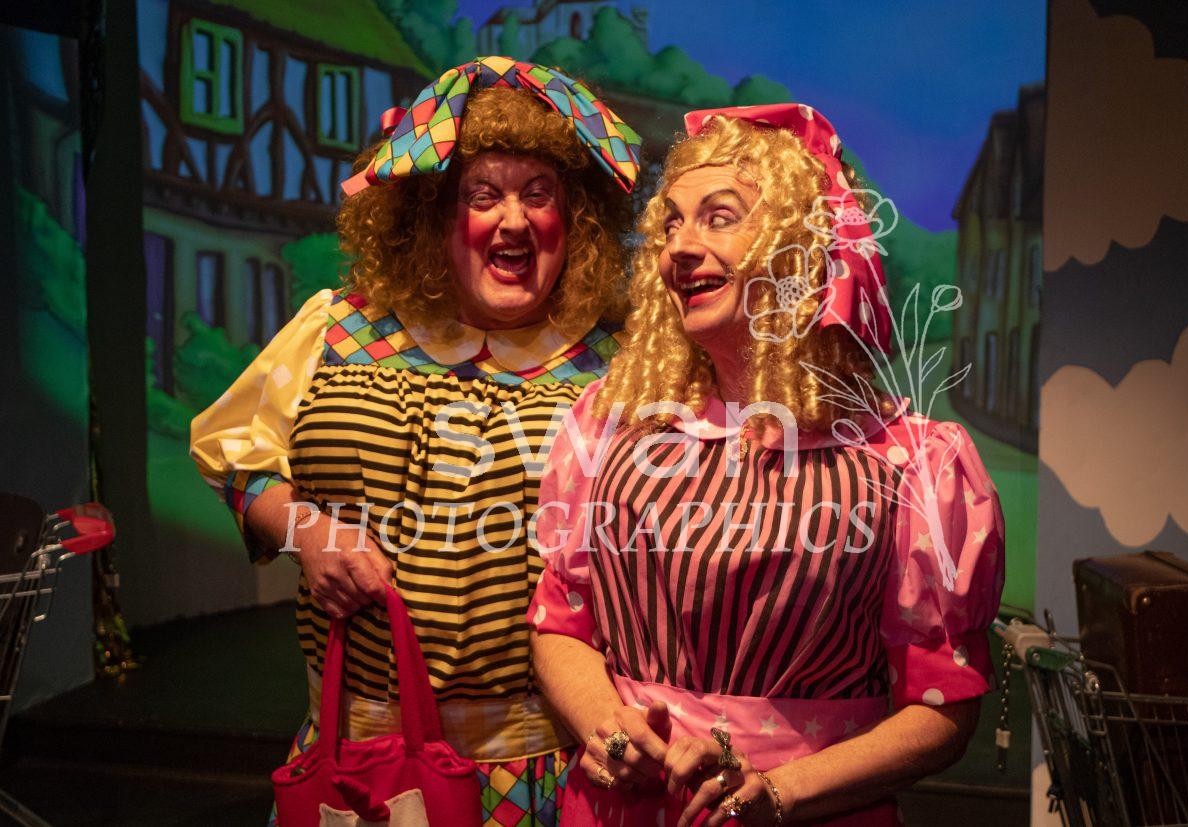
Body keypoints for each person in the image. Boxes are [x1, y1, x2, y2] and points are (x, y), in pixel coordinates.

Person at [189, 56, 641, 826]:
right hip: (364, 766)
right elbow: (233, 452)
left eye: (539, 193)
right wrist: (309, 532)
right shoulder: (339, 332)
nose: (513, 220)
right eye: (483, 195)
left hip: (542, 769)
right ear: (433, 217)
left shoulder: (617, 362)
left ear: (577, 220)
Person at [527, 104, 1005, 825]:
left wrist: (782, 791)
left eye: (717, 218)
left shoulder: (909, 461)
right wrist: (607, 727)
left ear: (796, 249)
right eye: (671, 225)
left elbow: (943, 705)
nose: (679, 248)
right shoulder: (612, 426)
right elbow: (561, 620)